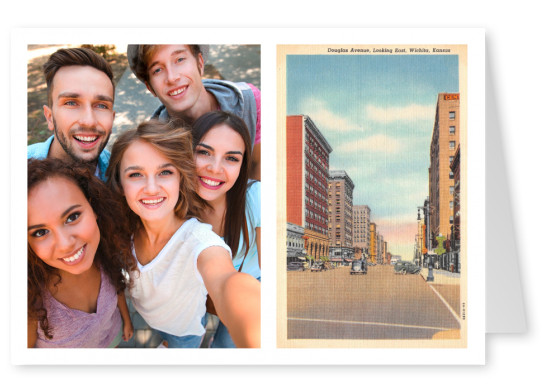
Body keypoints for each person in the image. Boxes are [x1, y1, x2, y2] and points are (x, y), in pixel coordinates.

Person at [105, 120, 260, 348]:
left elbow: (226, 281)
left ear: (181, 178)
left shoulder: (200, 241)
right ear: (120, 182)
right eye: (136, 174)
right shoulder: (122, 229)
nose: (151, 188)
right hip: (154, 321)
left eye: (165, 172)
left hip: (185, 333)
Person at [27, 158, 135, 348]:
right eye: (40, 232)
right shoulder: (29, 301)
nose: (65, 244)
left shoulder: (103, 252)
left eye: (73, 217)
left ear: (93, 208)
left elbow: (117, 288)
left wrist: (126, 319)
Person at [126, 44, 261, 180]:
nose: (172, 78)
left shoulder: (249, 102)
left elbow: (259, 166)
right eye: (157, 70)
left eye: (179, 60)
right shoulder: (155, 143)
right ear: (150, 88)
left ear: (200, 63)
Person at [191, 111, 261, 348]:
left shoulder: (256, 197)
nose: (215, 168)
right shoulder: (172, 202)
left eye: (231, 158)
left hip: (250, 288)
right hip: (196, 294)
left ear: (242, 165)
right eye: (204, 152)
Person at [27, 47, 116, 181]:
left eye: (102, 105)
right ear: (49, 117)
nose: (89, 121)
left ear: (112, 118)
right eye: (71, 103)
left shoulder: (121, 176)